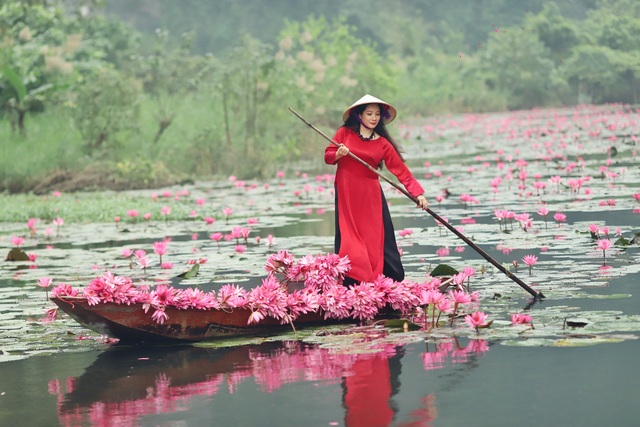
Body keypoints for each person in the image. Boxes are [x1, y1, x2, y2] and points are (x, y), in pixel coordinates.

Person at [324, 94, 429, 285]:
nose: (373, 118)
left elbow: (401, 170)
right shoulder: (344, 134)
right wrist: (338, 154)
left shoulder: (382, 143)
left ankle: (379, 279)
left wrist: (418, 193)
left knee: (373, 237)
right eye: (369, 113)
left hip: (370, 193)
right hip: (347, 191)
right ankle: (351, 280)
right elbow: (328, 156)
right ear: (359, 116)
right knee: (349, 236)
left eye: (377, 114)